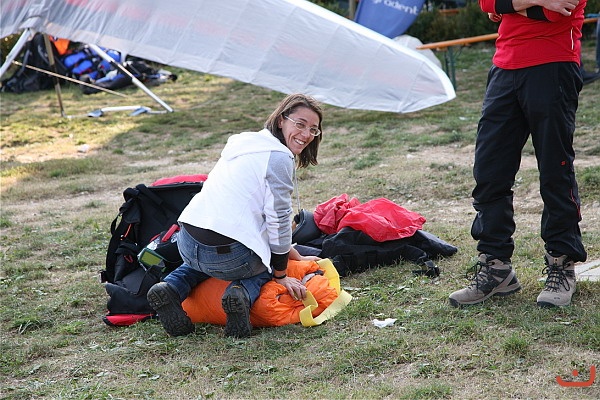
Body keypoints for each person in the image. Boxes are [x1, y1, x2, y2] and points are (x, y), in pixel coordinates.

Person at [147, 93, 324, 337]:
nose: (306, 134)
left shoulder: (243, 142)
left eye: (313, 129)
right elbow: (279, 221)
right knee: (268, 263)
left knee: (205, 261)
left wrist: (296, 254)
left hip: (187, 241)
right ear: (281, 120)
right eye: (300, 124)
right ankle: (240, 294)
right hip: (230, 256)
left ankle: (170, 288)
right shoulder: (279, 158)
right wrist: (281, 274)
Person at [449, 0, 588, 308]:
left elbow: (555, 12)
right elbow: (487, 3)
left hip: (554, 65)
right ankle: (496, 267)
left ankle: (562, 263)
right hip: (504, 66)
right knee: (489, 171)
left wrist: (509, 6)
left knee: (555, 171)